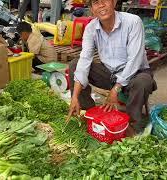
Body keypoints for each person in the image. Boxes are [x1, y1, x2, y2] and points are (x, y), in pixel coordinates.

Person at [67, 0, 157, 134]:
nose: (101, 5)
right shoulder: (91, 28)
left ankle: (132, 125)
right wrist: (74, 96)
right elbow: (84, 60)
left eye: (105, 0)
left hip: (135, 73)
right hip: (110, 73)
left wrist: (115, 90)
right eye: (96, 3)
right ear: (91, 9)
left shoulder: (133, 21)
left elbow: (135, 60)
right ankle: (88, 113)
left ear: (114, 3)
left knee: (143, 81)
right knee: (75, 64)